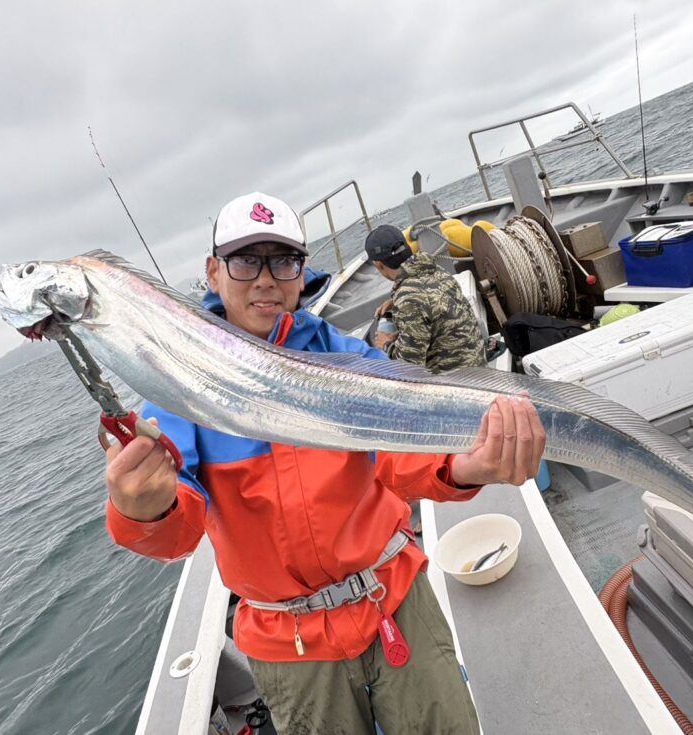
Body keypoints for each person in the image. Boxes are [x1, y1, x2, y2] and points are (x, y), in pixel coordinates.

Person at [103, 192, 546, 735]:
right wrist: (144, 508)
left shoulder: (346, 357)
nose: (266, 280)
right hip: (288, 641)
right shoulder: (181, 386)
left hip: (393, 599)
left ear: (301, 272)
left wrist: (462, 468)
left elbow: (397, 456)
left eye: (283, 261)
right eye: (246, 261)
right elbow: (177, 536)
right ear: (213, 271)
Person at [365, 224, 487, 373]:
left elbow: (409, 367)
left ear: (378, 264)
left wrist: (386, 345)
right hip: (476, 364)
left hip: (457, 380)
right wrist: (395, 303)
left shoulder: (408, 301)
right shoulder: (436, 271)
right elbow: (430, 311)